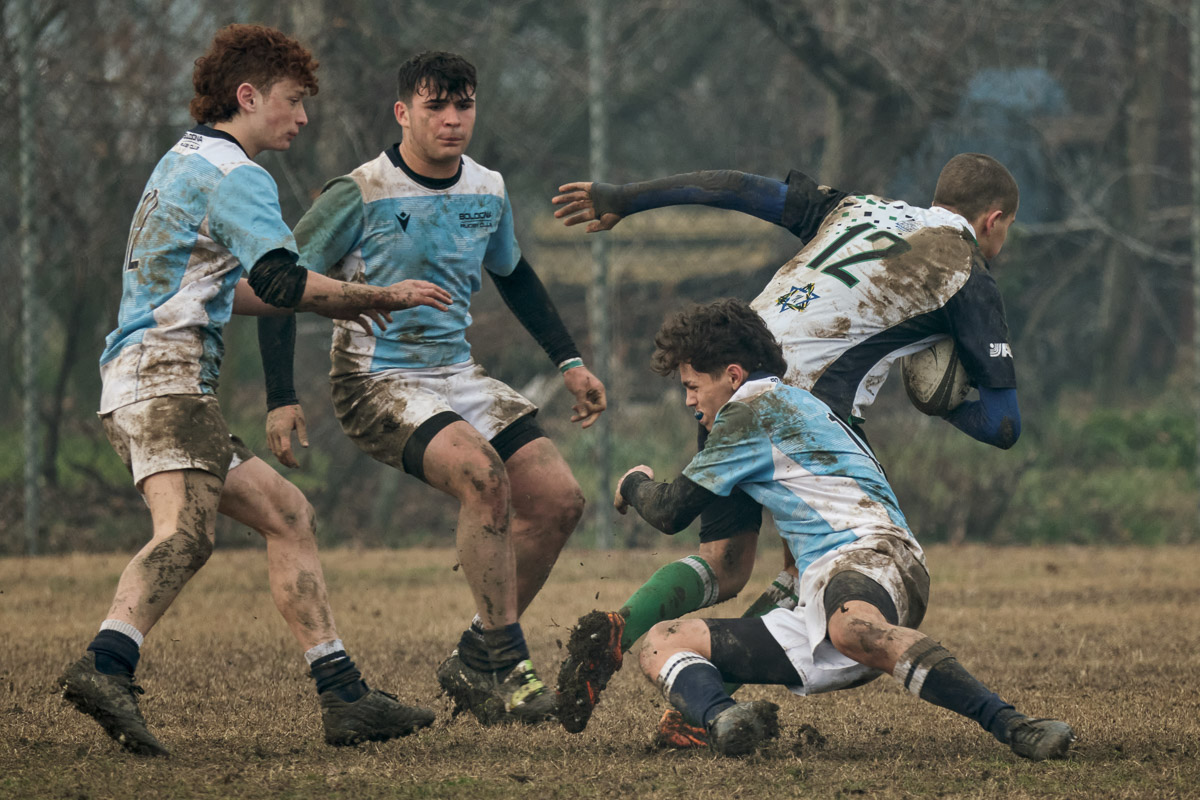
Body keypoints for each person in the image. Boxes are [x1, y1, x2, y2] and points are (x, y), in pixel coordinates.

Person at [58, 24, 454, 757]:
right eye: (293, 101)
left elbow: (234, 290)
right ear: (248, 97)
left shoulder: (185, 158)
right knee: (185, 532)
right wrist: (378, 294)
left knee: (286, 513)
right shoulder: (238, 175)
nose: (303, 117)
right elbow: (281, 278)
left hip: (152, 379)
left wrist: (346, 296)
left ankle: (343, 697)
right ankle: (104, 665)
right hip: (163, 380)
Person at [553, 155, 1023, 743]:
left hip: (730, 379)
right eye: (1006, 231)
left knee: (726, 564)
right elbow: (1005, 426)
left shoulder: (858, 207)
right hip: (803, 406)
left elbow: (736, 186)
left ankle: (622, 632)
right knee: (815, 571)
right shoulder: (967, 274)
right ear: (994, 220)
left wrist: (623, 193)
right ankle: (690, 714)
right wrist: (945, 401)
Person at [258, 51, 606, 726]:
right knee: (483, 477)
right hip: (375, 380)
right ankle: (510, 666)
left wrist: (570, 362)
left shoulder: (488, 188)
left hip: (455, 374)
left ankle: (476, 656)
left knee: (560, 499)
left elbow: (516, 275)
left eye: (463, 105)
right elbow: (277, 285)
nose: (451, 120)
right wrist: (280, 396)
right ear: (403, 113)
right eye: (435, 106)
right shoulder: (361, 192)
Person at [615, 299, 1072, 759]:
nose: (689, 400)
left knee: (852, 627)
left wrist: (633, 483)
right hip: (823, 590)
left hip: (874, 557)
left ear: (733, 377)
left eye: (693, 386)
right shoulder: (790, 401)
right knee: (661, 643)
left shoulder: (750, 411)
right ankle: (725, 720)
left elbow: (670, 512)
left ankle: (1014, 725)